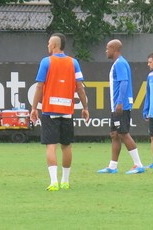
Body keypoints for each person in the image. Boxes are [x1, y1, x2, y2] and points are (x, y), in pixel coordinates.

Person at [30, 33, 89, 191]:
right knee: (67, 146)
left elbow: (39, 86)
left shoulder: (46, 62)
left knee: (51, 146)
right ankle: (65, 181)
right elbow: (80, 88)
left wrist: (34, 107)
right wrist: (85, 107)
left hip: (50, 110)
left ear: (54, 45)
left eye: (49, 43)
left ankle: (53, 181)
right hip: (67, 110)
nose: (47, 45)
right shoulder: (73, 62)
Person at [97, 39, 145, 174]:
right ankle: (113, 166)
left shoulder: (120, 64)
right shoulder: (118, 63)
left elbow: (124, 83)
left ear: (114, 49)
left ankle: (138, 165)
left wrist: (120, 102)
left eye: (107, 48)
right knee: (114, 134)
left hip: (121, 106)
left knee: (123, 133)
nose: (106, 51)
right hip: (116, 106)